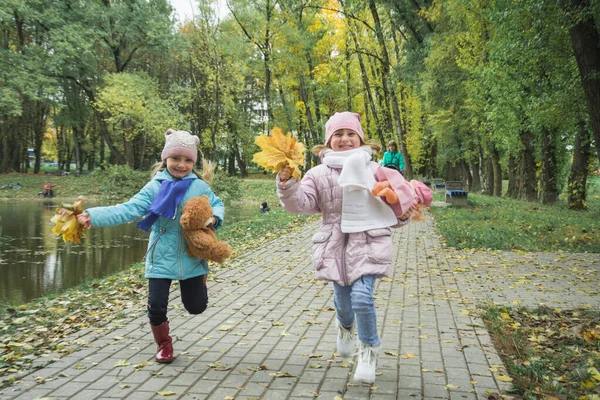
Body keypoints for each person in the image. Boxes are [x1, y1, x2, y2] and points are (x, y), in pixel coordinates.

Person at [276, 112, 416, 384]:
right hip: (335, 246)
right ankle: (345, 327)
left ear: (361, 138)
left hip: (369, 242)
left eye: (350, 133)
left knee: (363, 297)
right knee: (343, 303)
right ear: (328, 142)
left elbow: (394, 207)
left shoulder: (376, 170)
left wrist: (403, 211)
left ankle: (368, 351)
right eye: (337, 134)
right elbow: (301, 205)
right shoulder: (317, 174)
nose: (345, 139)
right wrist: (287, 184)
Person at [76, 129, 225, 364]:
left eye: (187, 160)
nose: (181, 165)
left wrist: (214, 218)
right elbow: (127, 209)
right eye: (176, 158)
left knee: (196, 307)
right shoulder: (154, 187)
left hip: (191, 254)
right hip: (160, 254)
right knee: (156, 306)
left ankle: (200, 281)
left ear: (193, 162)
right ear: (165, 158)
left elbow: (217, 205)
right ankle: (164, 344)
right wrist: (92, 216)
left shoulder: (199, 187)